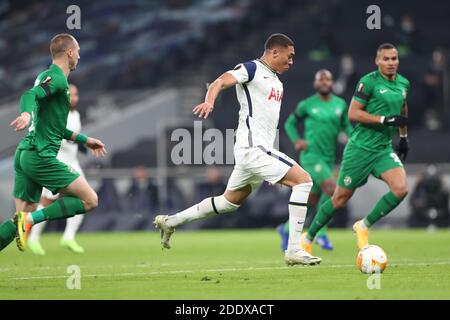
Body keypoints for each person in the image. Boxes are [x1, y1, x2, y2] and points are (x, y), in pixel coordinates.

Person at [154, 33, 322, 266]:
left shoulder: (277, 81)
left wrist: (269, 168)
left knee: (227, 202)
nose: (292, 61)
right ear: (275, 52)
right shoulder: (251, 68)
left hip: (258, 151)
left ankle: (170, 222)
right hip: (253, 148)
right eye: (289, 56)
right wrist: (210, 101)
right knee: (304, 181)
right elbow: (219, 82)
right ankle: (294, 250)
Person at [0, 33, 107, 253]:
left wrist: (85, 141)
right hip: (39, 155)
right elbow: (30, 95)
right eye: (77, 51)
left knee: (17, 220)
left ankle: (26, 220)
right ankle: (32, 220)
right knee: (89, 200)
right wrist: (26, 114)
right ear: (69, 52)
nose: (79, 55)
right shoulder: (57, 78)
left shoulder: (47, 76)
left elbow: (55, 128)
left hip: (26, 152)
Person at [300, 43, 410, 254]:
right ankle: (309, 236)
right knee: (339, 199)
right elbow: (353, 114)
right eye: (385, 59)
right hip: (360, 148)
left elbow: (403, 109)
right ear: (377, 61)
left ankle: (364, 225)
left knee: (401, 189)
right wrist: (384, 119)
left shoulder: (404, 83)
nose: (390, 63)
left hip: (383, 150)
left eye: (394, 59)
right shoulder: (368, 82)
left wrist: (403, 137)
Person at [277, 69, 353, 252]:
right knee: (331, 188)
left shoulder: (340, 104)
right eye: (321, 79)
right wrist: (297, 140)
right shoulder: (307, 105)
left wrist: (355, 141)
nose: (325, 82)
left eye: (328, 79)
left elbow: (347, 127)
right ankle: (321, 233)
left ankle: (285, 229)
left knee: (311, 200)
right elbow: (290, 123)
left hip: (328, 158)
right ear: (315, 84)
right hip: (311, 156)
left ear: (332, 83)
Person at [27, 84, 87, 255]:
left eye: (76, 94)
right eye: (71, 94)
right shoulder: (57, 113)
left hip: (73, 163)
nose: (74, 98)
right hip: (57, 163)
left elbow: (73, 137)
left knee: (86, 197)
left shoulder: (76, 115)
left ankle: (68, 237)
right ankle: (33, 238)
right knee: (47, 202)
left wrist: (83, 145)